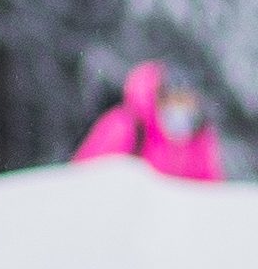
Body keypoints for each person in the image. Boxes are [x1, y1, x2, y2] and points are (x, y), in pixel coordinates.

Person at [71, 61, 223, 182]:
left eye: (187, 101)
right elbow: (84, 181)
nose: (180, 107)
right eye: (174, 99)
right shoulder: (126, 127)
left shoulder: (199, 140)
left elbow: (208, 196)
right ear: (157, 98)